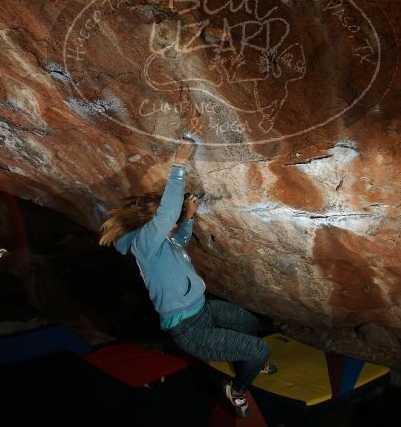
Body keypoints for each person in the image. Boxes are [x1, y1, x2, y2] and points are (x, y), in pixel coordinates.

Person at [98, 139, 276, 418]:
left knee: (248, 322)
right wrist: (179, 164)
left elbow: (179, 238)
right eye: (171, 221)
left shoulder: (166, 241)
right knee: (258, 349)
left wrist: (189, 217)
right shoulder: (144, 246)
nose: (175, 222)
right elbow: (167, 215)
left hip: (203, 308)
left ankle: (252, 361)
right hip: (189, 330)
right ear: (151, 226)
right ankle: (237, 389)